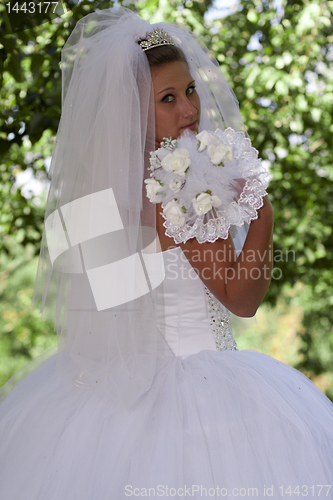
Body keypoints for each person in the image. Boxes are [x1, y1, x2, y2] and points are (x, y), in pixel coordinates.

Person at [0, 7, 333, 500]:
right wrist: (261, 213)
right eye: (168, 98)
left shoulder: (94, 202)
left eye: (191, 90)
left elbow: (102, 315)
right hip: (206, 397)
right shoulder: (181, 187)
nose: (189, 110)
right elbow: (241, 300)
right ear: (133, 111)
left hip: (105, 405)